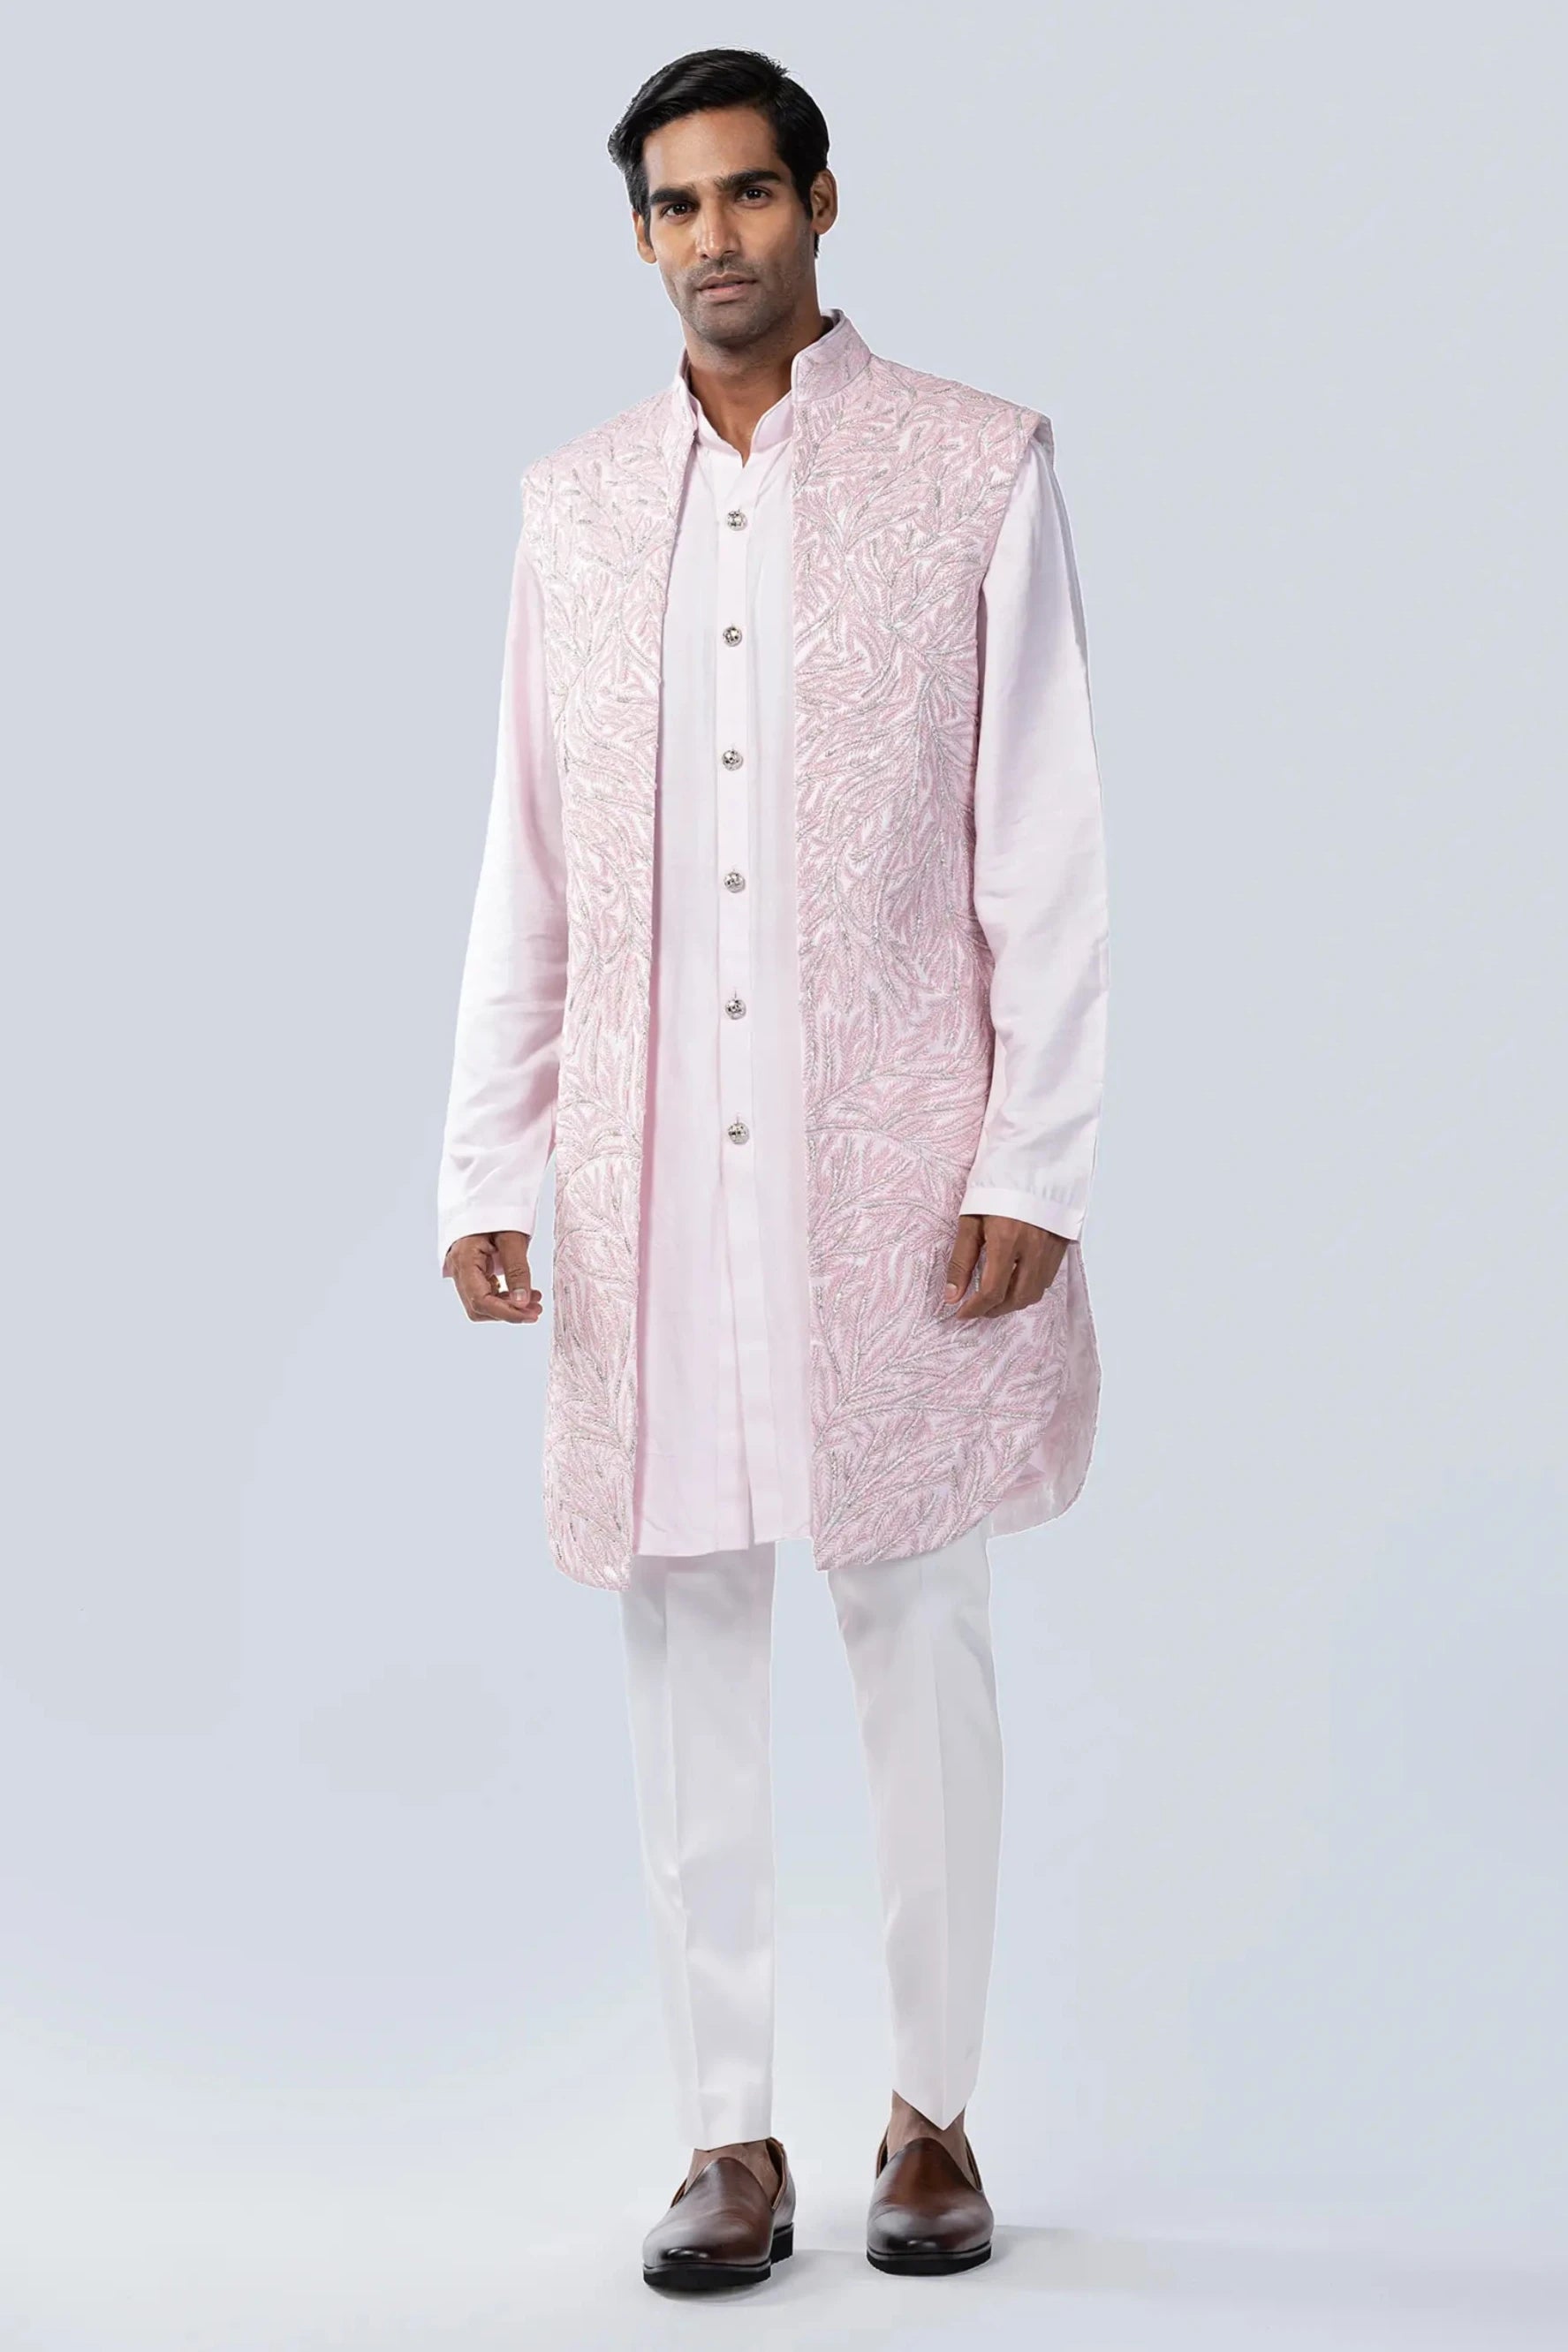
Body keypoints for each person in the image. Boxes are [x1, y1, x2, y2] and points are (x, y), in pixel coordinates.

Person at [436, 46, 1108, 2294]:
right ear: (638, 236)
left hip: (898, 1163)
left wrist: (1040, 1148)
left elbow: (1044, 840)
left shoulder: (974, 465)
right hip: (648, 1170)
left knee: (919, 1630)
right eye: (675, 205)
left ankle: (934, 2113)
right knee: (686, 1640)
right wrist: (486, 1157)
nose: (714, 237)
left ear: (823, 200)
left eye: (748, 193)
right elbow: (527, 856)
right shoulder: (572, 510)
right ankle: (728, 2136)